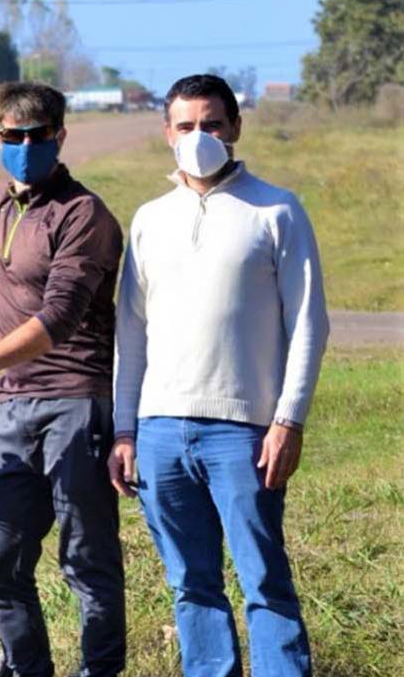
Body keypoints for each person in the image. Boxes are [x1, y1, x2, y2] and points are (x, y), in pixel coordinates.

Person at [109, 73, 329, 676]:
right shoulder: (150, 219)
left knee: (266, 585)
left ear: (235, 128)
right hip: (158, 433)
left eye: (211, 124)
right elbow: (131, 332)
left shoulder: (277, 209)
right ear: (167, 134)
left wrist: (288, 420)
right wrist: (125, 430)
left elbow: (309, 322)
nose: (199, 136)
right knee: (191, 587)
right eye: (186, 126)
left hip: (245, 433)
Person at [0, 80, 127, 677]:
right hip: (14, 406)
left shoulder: (84, 215)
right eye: (11, 136)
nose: (24, 147)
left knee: (86, 560)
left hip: (77, 401)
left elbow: (58, 316)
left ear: (60, 137)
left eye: (37, 136)